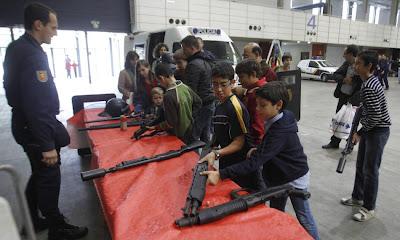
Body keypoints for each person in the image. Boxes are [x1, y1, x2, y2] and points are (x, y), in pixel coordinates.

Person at [2, 3, 88, 240]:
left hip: (24, 123)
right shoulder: (31, 54)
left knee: (39, 174)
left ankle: (32, 219)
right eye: (53, 27)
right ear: (38, 25)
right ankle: (57, 227)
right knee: (49, 175)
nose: (55, 32)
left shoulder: (16, 47)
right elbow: (36, 104)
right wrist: (47, 144)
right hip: (35, 126)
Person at [200, 82, 320, 240]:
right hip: (278, 176)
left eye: (262, 106)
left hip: (294, 177)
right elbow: (273, 145)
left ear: (278, 105)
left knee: (303, 216)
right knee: (276, 212)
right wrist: (259, 149)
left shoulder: (280, 130)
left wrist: (221, 174)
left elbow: (254, 163)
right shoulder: (281, 117)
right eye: (257, 105)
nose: (257, 110)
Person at [340, 51, 391, 222]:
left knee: (370, 171)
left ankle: (369, 207)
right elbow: (365, 109)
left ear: (369, 66)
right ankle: (357, 197)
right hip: (371, 129)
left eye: (359, 63)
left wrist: (359, 132)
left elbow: (376, 116)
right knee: (361, 166)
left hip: (378, 131)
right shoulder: (367, 82)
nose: (355, 66)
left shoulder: (370, 85)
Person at [200, 62, 265, 191]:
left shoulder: (235, 107)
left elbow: (239, 143)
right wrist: (210, 148)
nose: (218, 89)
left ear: (233, 82)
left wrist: (216, 153)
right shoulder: (219, 105)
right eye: (215, 84)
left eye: (223, 85)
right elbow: (219, 134)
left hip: (241, 165)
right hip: (226, 161)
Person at [322, 45, 362, 149]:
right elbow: (336, 75)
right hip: (343, 97)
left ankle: (350, 145)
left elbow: (364, 81)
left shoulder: (361, 65)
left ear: (351, 54)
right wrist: (344, 79)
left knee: (351, 123)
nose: (344, 56)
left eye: (345, 54)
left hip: (354, 100)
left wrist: (353, 80)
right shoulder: (346, 64)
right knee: (338, 120)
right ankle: (334, 142)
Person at [150, 63, 202, 144]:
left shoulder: (168, 96)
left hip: (179, 135)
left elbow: (171, 123)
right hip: (190, 129)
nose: (160, 84)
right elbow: (198, 102)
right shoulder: (185, 87)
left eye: (159, 81)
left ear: (161, 78)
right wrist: (189, 116)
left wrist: (156, 127)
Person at [181, 35, 215, 144]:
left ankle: (192, 160)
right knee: (205, 136)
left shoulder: (193, 64)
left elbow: (191, 91)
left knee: (192, 137)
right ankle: (205, 159)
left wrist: (189, 111)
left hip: (201, 105)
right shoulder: (207, 60)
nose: (183, 51)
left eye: (184, 48)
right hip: (209, 103)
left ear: (192, 48)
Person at [235, 59, 266, 146]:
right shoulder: (262, 86)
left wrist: (255, 145)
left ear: (253, 74)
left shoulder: (256, 94)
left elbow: (257, 123)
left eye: (241, 77)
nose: (239, 80)